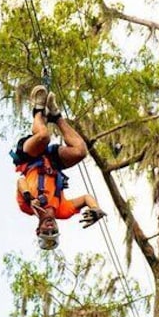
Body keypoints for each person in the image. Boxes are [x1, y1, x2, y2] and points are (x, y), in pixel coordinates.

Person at [11, 84, 106, 250]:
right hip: (52, 162)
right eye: (53, 231)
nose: (49, 229)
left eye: (45, 232)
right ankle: (56, 116)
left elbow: (21, 181)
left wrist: (29, 197)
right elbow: (85, 198)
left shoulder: (27, 208)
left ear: (38, 230)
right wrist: (95, 208)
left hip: (29, 157)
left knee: (43, 136)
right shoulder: (62, 211)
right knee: (80, 151)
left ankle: (38, 110)